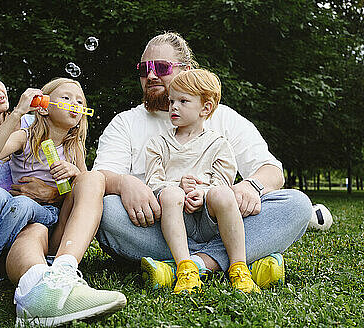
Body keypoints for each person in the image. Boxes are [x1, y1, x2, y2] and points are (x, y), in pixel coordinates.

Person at [94, 32, 312, 290]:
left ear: (186, 70)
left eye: (161, 67)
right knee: (106, 211)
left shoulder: (222, 117)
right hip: (156, 224)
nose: (151, 75)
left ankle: (187, 266)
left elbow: (272, 170)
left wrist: (249, 186)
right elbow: (101, 177)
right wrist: (123, 183)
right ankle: (238, 260)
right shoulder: (125, 123)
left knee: (296, 204)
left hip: (218, 219)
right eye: (144, 69)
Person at [0, 59, 126, 326]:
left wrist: (57, 190)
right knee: (24, 217)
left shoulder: (45, 126)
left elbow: (79, 192)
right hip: (18, 234)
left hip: (53, 227)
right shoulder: (21, 132)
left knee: (90, 179)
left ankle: (62, 271)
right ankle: (35, 288)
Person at [143, 68, 259, 294]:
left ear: (205, 108)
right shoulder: (157, 144)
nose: (173, 106)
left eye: (183, 101)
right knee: (171, 194)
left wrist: (203, 193)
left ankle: (239, 268)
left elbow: (223, 183)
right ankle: (186, 268)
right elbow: (153, 183)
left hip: (210, 220)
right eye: (172, 100)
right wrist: (177, 187)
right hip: (176, 218)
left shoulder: (219, 144)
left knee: (224, 194)